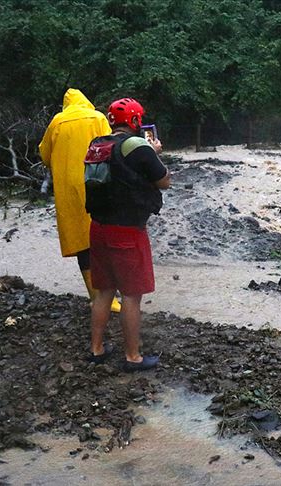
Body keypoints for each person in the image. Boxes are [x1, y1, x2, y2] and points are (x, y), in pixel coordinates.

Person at [85, 97, 170, 371]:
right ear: (135, 122)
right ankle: (133, 356)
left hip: (98, 228)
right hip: (128, 232)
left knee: (103, 292)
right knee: (132, 296)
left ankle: (96, 349)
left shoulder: (97, 144)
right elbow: (164, 181)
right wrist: (155, 152)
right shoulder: (139, 146)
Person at [39, 88, 121, 313]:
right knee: (104, 239)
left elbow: (45, 155)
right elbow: (113, 146)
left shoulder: (57, 122)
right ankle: (113, 296)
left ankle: (97, 298)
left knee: (82, 244)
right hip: (98, 184)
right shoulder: (97, 118)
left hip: (69, 192)